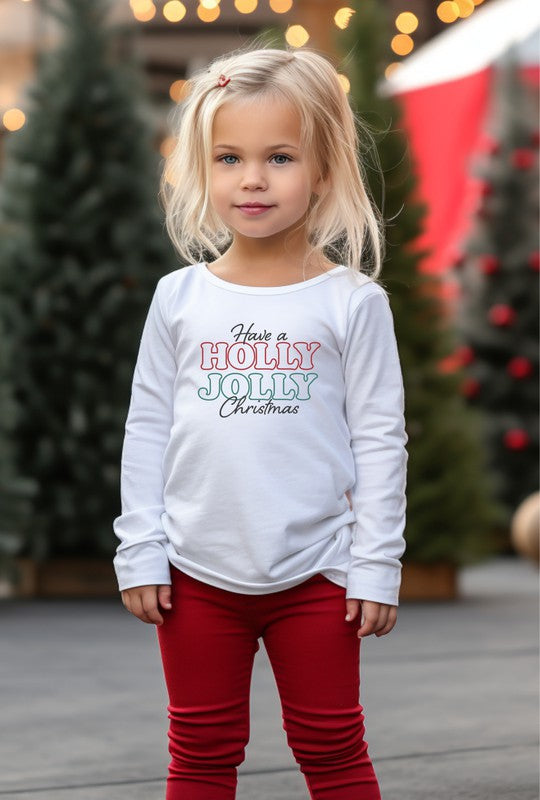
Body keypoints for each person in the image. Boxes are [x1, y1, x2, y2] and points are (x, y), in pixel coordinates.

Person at [113, 42, 408, 800]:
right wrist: (140, 550)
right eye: (228, 158)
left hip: (319, 574)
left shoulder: (351, 303)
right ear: (200, 171)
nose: (251, 179)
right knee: (201, 751)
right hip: (194, 575)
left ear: (325, 170)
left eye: (279, 157)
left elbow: (379, 439)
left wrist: (376, 562)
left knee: (333, 747)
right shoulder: (177, 300)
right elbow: (147, 427)